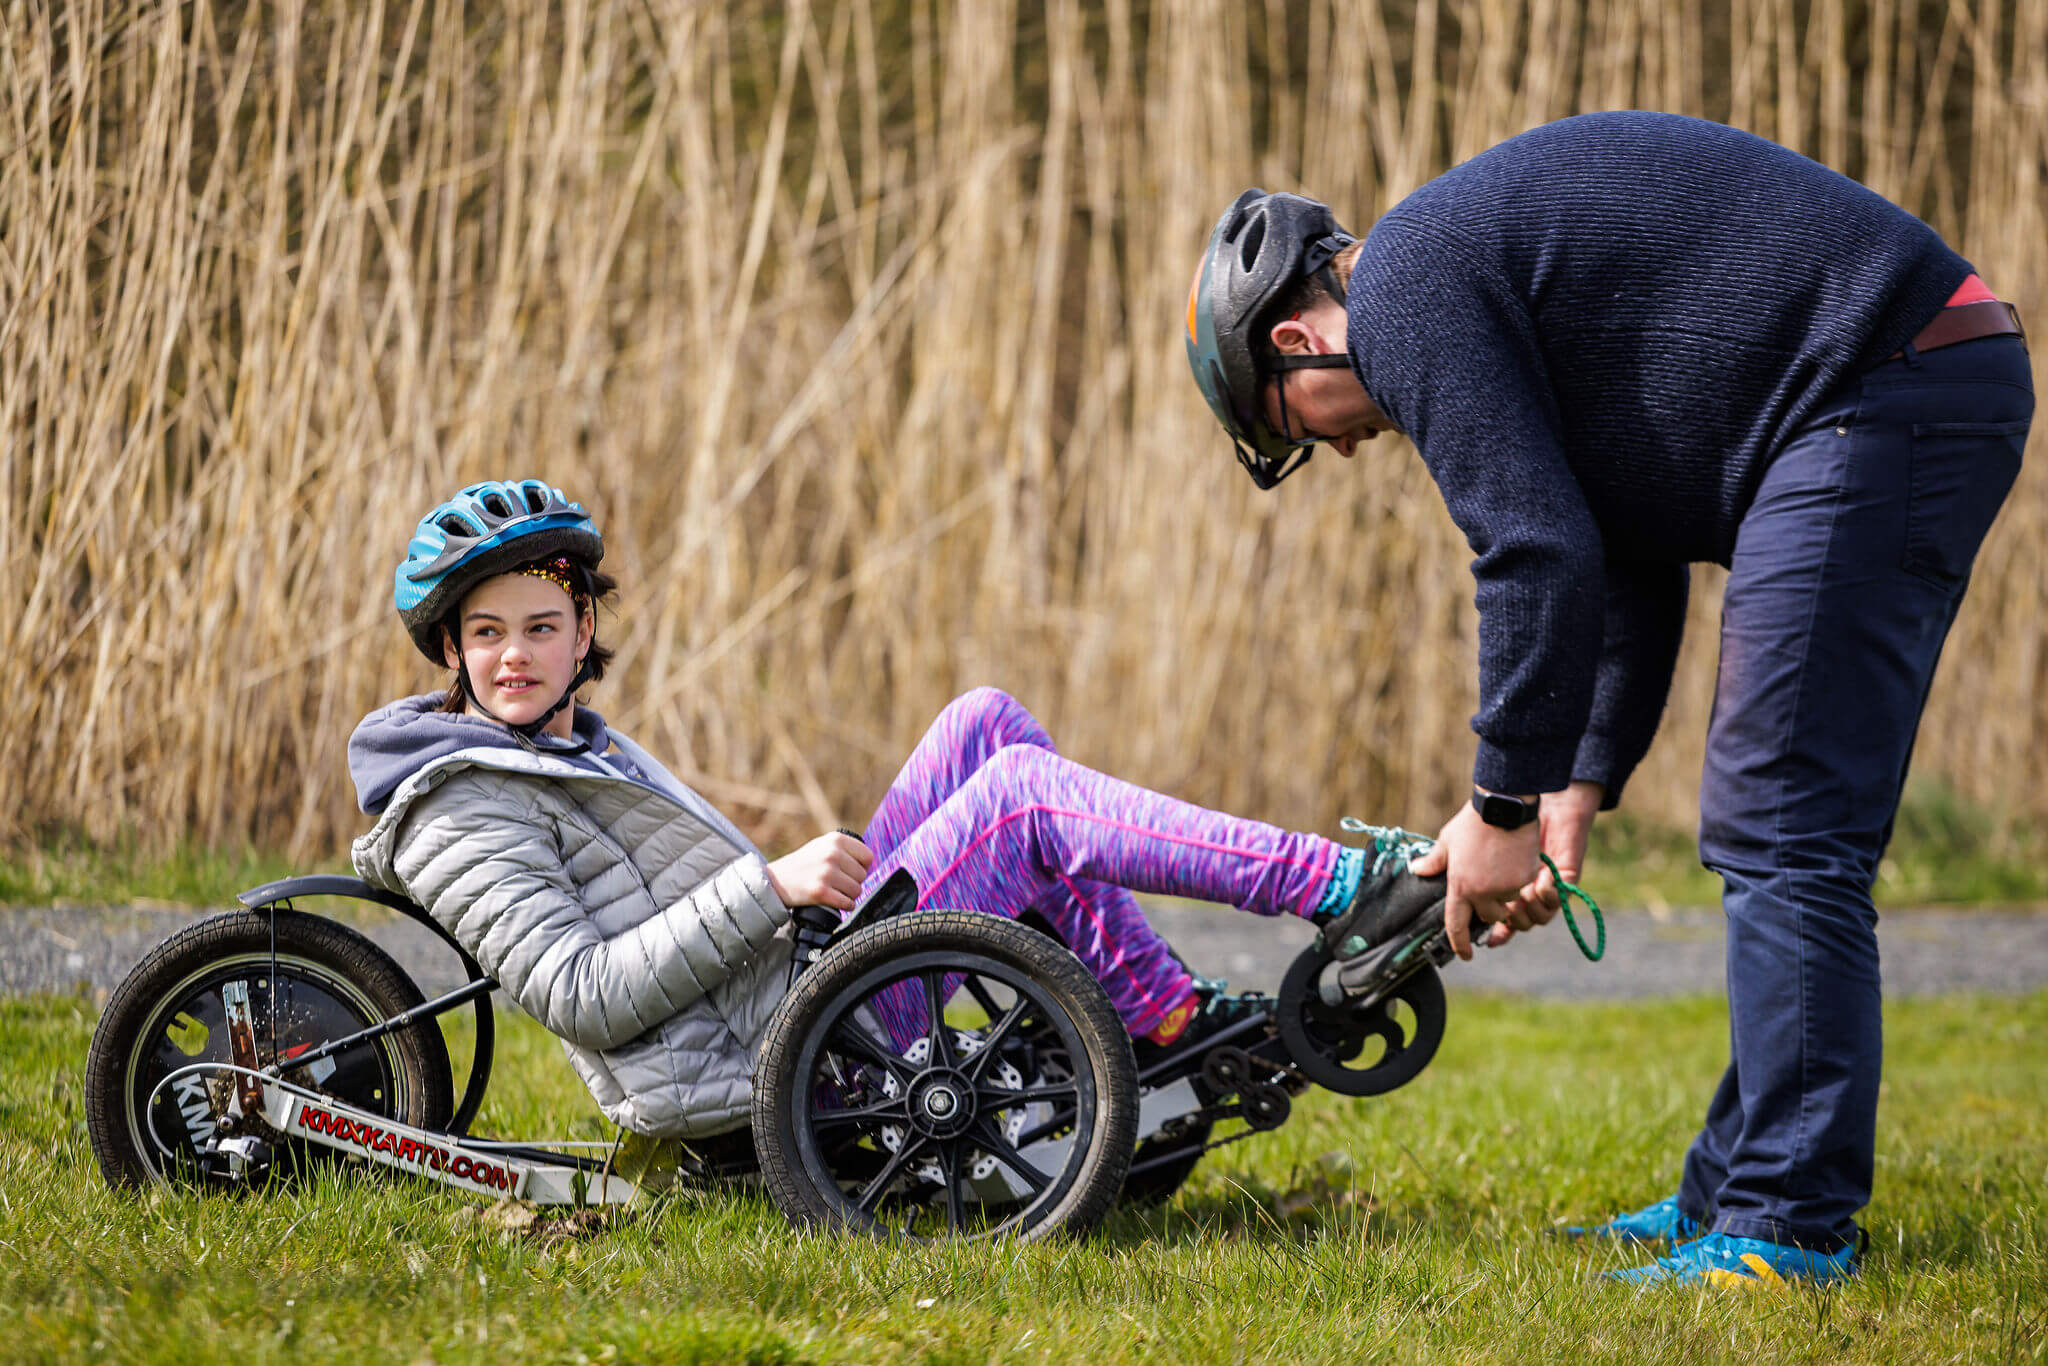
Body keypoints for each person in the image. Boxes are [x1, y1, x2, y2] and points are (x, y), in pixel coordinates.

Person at [1184, 110, 2032, 1285]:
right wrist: (1576, 775)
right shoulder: (1454, 289)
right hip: (1892, 377)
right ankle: (1728, 1195)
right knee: (1771, 823)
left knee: (1783, 823)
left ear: (1291, 339)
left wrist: (1496, 806)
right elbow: (1616, 546)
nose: (1336, 451)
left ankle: (1785, 1225)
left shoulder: (1405, 293)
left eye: (1288, 426)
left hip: (1882, 379)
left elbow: (1530, 554)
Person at [347, 478, 1438, 1150]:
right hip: (786, 1062)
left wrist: (779, 906)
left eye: (541, 627)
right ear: (447, 650)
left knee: (985, 723)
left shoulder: (566, 743)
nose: (513, 657)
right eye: (485, 634)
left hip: (788, 997)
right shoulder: (459, 801)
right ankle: (1342, 887)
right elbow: (579, 995)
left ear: (583, 632)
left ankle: (1158, 1020)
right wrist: (765, 887)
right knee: (1016, 807)